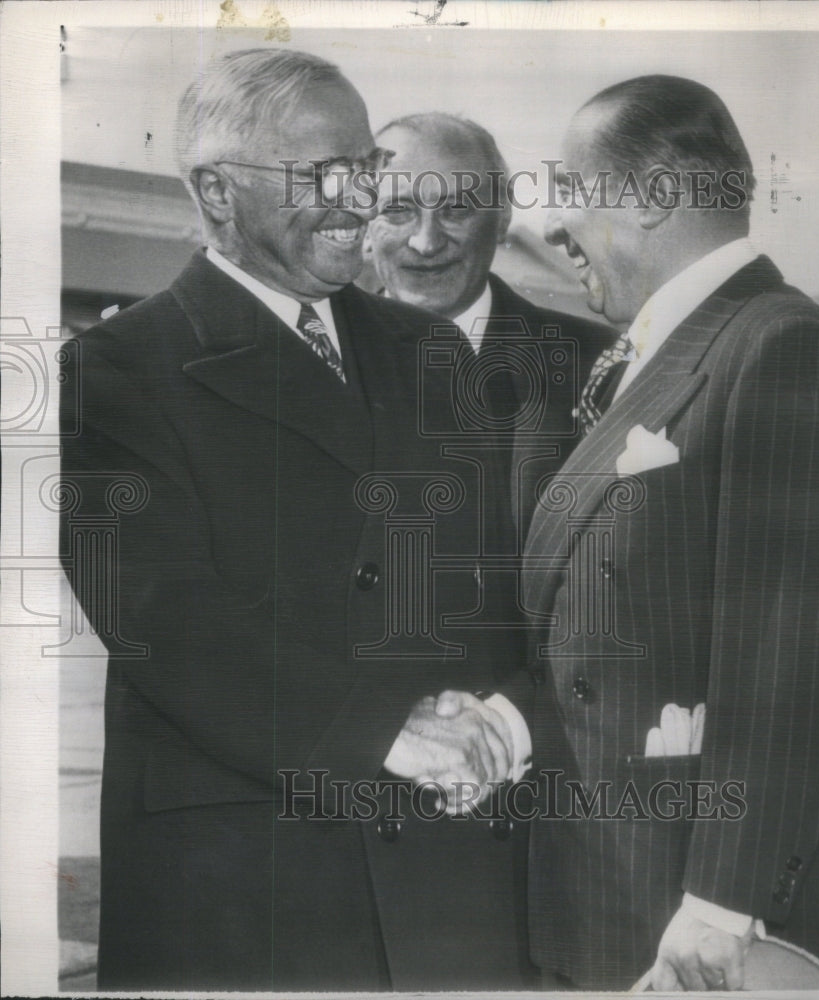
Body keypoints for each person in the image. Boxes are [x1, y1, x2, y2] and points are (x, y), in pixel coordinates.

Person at [59, 48, 531, 991]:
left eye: (367, 169)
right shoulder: (112, 369)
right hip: (246, 872)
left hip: (442, 853)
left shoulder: (431, 350)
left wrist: (493, 716)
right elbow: (166, 620)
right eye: (325, 174)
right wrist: (383, 732)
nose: (360, 201)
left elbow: (495, 578)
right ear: (217, 192)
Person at [522, 75, 819, 990]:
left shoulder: (782, 345)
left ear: (658, 198)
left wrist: (725, 900)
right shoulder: (668, 352)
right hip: (612, 885)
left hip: (693, 919)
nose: (554, 224)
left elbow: (793, 651)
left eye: (573, 189)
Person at [364, 112, 615, 544]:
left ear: (501, 220)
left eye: (455, 209)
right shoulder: (308, 360)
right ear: (364, 224)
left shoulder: (599, 364)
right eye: (398, 210)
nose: (426, 242)